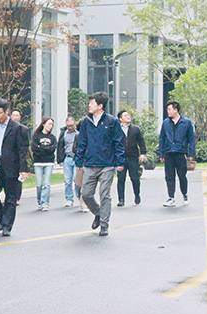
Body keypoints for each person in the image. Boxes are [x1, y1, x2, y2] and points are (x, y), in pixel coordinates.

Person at [75, 92, 125, 237]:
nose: (89, 105)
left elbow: (118, 142)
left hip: (107, 165)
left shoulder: (111, 122)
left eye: (92, 103)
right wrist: (79, 160)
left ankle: (104, 224)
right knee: (86, 194)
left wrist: (120, 161)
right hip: (90, 164)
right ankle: (98, 213)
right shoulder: (85, 122)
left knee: (105, 195)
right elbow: (82, 142)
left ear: (100, 105)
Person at [0, 99, 29, 236]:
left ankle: (7, 226)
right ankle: (3, 217)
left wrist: (23, 169)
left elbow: (22, 151)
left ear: (7, 112)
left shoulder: (17, 128)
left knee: (10, 197)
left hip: (11, 166)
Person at [159, 101, 196, 207]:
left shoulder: (186, 123)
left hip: (180, 153)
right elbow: (162, 138)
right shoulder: (165, 123)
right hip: (169, 153)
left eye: (169, 109)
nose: (168, 111)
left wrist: (191, 154)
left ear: (175, 110)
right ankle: (171, 197)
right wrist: (161, 153)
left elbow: (191, 139)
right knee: (169, 176)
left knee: (182, 175)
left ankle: (185, 194)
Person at [116, 110, 147, 206]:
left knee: (135, 178)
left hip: (133, 157)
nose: (128, 117)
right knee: (121, 179)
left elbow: (141, 141)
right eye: (125, 116)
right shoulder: (116, 130)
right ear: (120, 119)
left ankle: (137, 195)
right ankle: (121, 199)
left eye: (128, 115)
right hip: (121, 158)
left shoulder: (135, 129)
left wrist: (143, 153)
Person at [31, 117, 56, 211]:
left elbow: (52, 149)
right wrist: (45, 148)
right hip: (38, 162)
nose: (50, 126)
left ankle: (45, 203)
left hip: (49, 162)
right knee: (39, 184)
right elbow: (34, 148)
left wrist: (41, 147)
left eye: (52, 124)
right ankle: (39, 200)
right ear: (43, 124)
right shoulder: (36, 136)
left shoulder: (52, 137)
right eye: (49, 124)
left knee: (47, 184)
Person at [56, 117, 79, 208]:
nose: (70, 127)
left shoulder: (78, 133)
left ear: (75, 124)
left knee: (76, 179)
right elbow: (60, 146)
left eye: (72, 126)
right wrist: (60, 158)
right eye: (68, 126)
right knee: (67, 180)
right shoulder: (64, 133)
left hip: (76, 158)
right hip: (67, 158)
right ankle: (69, 199)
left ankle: (79, 196)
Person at [10, 108, 28, 205]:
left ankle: (17, 197)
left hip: (19, 157)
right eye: (14, 115)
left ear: (20, 117)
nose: (15, 117)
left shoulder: (23, 129)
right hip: (9, 157)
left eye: (17, 115)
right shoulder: (7, 128)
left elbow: (25, 145)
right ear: (11, 116)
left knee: (18, 179)